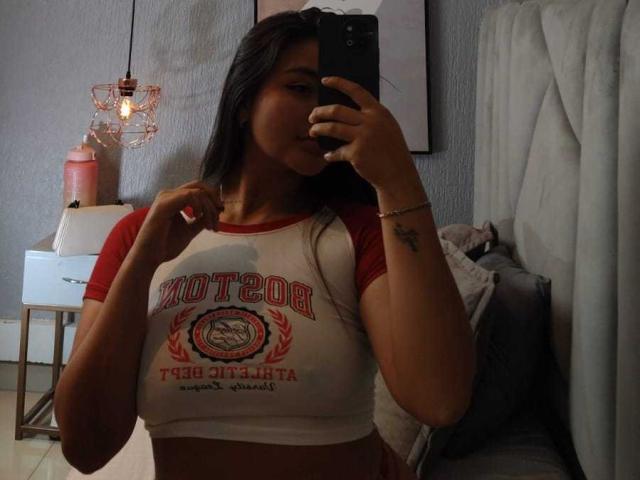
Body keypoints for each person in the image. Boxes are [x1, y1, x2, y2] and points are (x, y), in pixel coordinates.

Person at [54, 8, 475, 480]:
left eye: (334, 95)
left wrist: (398, 180)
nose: (320, 111)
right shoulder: (144, 234)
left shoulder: (358, 233)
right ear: (243, 101)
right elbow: (84, 447)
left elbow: (439, 399)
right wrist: (140, 264)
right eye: (299, 88)